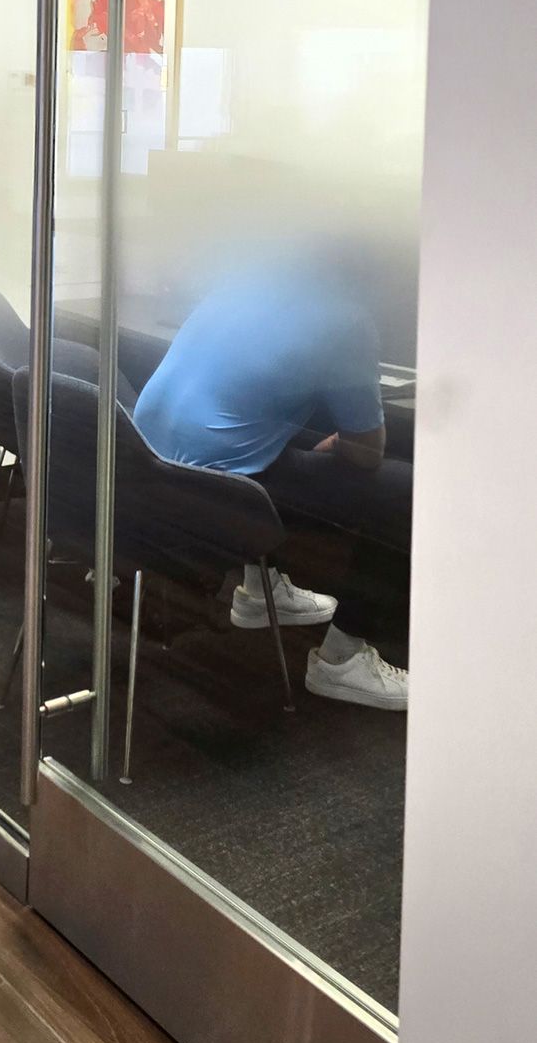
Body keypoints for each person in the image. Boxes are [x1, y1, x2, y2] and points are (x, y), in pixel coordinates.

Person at [133, 254, 411, 710]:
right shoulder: (347, 319)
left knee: (254, 428)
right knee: (408, 494)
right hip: (217, 501)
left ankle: (261, 592)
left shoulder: (243, 280)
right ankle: (343, 662)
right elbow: (366, 454)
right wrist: (343, 440)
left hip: (148, 470)